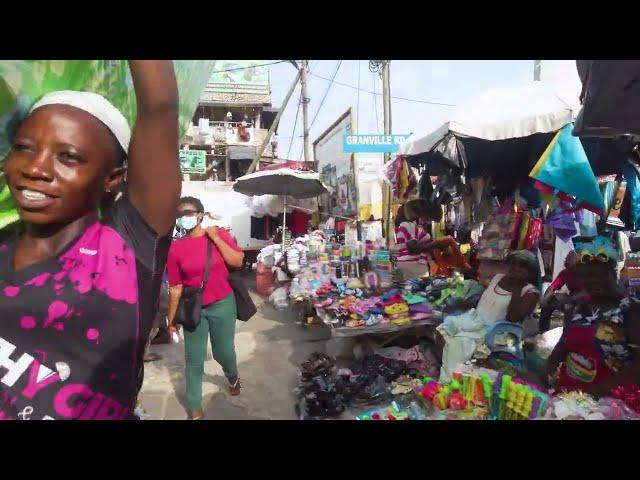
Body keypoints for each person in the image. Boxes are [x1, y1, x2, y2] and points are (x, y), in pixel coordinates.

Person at [0, 61, 181, 420]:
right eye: (24, 148)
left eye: (68, 157)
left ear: (111, 179)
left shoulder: (127, 247)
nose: (36, 168)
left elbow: (159, 107)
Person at [166, 196, 244, 420]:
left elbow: (237, 261)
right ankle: (194, 408)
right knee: (194, 359)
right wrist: (171, 321)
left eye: (188, 213)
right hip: (194, 308)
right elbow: (176, 287)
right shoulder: (175, 249)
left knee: (223, 352)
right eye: (179, 215)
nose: (183, 218)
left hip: (222, 304)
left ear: (200, 214)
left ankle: (233, 376)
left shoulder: (219, 235)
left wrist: (215, 238)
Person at [544, 237, 640, 398]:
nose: (594, 281)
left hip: (613, 403)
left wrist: (599, 392)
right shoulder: (577, 307)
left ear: (613, 274)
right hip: (568, 397)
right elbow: (562, 346)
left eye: (601, 275)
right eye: (588, 276)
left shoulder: (630, 309)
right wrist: (550, 368)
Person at [435, 250, 541, 382]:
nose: (515, 269)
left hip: (496, 330)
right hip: (474, 319)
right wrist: (463, 304)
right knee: (442, 330)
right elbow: (486, 299)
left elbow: (513, 318)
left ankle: (449, 381)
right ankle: (450, 371)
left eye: (521, 267)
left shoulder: (530, 292)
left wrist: (517, 288)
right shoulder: (498, 278)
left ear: (530, 272)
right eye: (513, 264)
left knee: (459, 342)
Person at [539, 250, 584, 333]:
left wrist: (569, 300)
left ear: (578, 261)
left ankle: (569, 333)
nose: (566, 260)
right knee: (549, 301)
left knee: (571, 307)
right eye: (567, 257)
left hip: (587, 302)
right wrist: (544, 299)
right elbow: (552, 288)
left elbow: (586, 292)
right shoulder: (565, 273)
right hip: (572, 299)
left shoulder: (586, 273)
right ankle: (543, 331)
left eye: (569, 258)